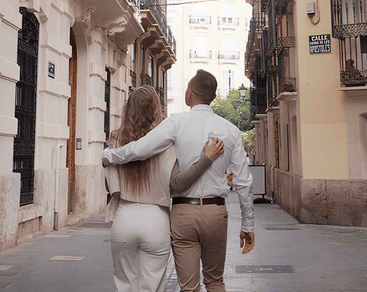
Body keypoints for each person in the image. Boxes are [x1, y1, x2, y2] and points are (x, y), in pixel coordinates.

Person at [104, 70, 256, 292]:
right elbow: (244, 182)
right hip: (216, 213)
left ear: (190, 92)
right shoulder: (231, 131)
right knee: (215, 281)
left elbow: (140, 149)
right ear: (213, 97)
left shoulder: (176, 123)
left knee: (188, 287)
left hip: (183, 212)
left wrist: (110, 156)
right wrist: (247, 224)